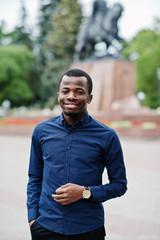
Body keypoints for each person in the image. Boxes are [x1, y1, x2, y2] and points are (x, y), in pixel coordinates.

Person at [27, 68, 127, 240]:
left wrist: (84, 192)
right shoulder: (41, 131)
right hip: (45, 227)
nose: (71, 96)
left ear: (89, 98)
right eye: (66, 91)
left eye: (79, 92)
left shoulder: (107, 136)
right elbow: (35, 178)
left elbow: (119, 184)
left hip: (88, 229)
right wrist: (32, 219)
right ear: (58, 94)